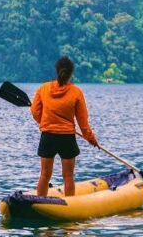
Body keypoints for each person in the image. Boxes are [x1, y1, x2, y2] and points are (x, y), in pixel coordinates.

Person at [30, 56, 98, 197]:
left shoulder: (43, 89)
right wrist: (91, 138)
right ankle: (70, 205)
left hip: (47, 136)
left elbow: (35, 112)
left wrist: (46, 123)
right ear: (71, 73)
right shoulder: (76, 92)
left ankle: (40, 201)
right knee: (68, 176)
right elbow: (83, 123)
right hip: (67, 138)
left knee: (44, 175)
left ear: (57, 71)